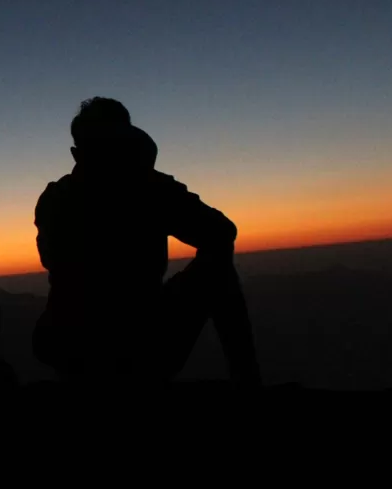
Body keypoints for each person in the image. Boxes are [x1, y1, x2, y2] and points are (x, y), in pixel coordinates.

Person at [33, 98, 261, 387]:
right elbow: (221, 232)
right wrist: (151, 179)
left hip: (66, 345)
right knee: (218, 269)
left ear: (76, 153)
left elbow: (53, 262)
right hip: (139, 344)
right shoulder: (148, 190)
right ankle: (248, 382)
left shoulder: (54, 197)